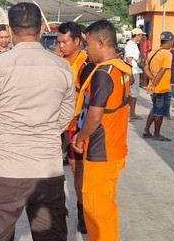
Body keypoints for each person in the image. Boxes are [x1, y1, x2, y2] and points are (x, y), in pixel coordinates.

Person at [0, 2, 75, 241]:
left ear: (10, 31)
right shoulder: (62, 66)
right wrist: (44, 131)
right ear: (42, 29)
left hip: (5, 169)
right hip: (47, 169)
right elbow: (67, 112)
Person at [72, 19, 131, 241]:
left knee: (96, 213)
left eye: (87, 45)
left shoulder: (103, 74)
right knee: (106, 210)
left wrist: (79, 136)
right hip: (115, 149)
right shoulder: (122, 69)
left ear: (100, 43)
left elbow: (95, 117)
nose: (86, 50)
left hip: (101, 152)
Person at [56, 21, 88, 233]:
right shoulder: (56, 61)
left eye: (64, 42)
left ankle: (82, 210)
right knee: (52, 168)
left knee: (78, 171)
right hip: (57, 123)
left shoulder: (86, 66)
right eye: (58, 42)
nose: (60, 47)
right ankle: (56, 207)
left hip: (76, 125)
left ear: (77, 41)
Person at [142, 31, 174, 141]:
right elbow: (162, 70)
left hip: (153, 86)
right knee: (160, 112)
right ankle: (157, 133)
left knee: (155, 109)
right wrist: (155, 82)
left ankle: (146, 130)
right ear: (170, 42)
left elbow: (145, 68)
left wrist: (152, 80)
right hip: (162, 88)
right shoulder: (167, 54)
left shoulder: (152, 52)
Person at [124, 27, 145, 119]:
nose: (141, 37)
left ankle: (132, 112)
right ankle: (131, 113)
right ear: (137, 35)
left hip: (135, 71)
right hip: (133, 72)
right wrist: (131, 74)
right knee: (133, 93)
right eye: (141, 35)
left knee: (134, 93)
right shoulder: (131, 45)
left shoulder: (133, 44)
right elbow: (129, 59)